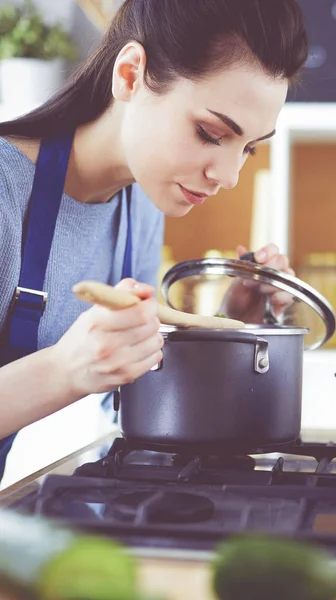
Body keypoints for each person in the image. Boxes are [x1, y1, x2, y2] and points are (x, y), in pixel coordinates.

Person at [0, 0, 308, 480]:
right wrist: (63, 371)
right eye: (210, 133)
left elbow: (132, 405)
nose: (229, 177)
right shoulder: (3, 189)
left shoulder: (139, 203)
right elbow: (71, 372)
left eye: (248, 147)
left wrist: (228, 327)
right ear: (129, 75)